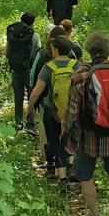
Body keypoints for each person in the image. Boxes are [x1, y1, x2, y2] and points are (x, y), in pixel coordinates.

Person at [64, 31, 109, 216]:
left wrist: (69, 137)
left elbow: (73, 110)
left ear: (90, 51)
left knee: (85, 177)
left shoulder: (81, 75)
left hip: (88, 136)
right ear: (108, 50)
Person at [25, 34, 79, 185]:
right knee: (71, 138)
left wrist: (29, 109)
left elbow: (36, 91)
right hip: (73, 110)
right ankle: (71, 168)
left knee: (54, 140)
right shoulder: (77, 66)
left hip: (52, 110)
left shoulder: (48, 67)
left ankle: (61, 178)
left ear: (54, 49)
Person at [5, 11, 41, 132]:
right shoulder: (34, 36)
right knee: (31, 96)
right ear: (32, 23)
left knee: (18, 97)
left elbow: (7, 52)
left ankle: (18, 123)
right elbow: (37, 53)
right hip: (28, 69)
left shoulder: (12, 33)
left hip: (15, 69)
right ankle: (30, 124)